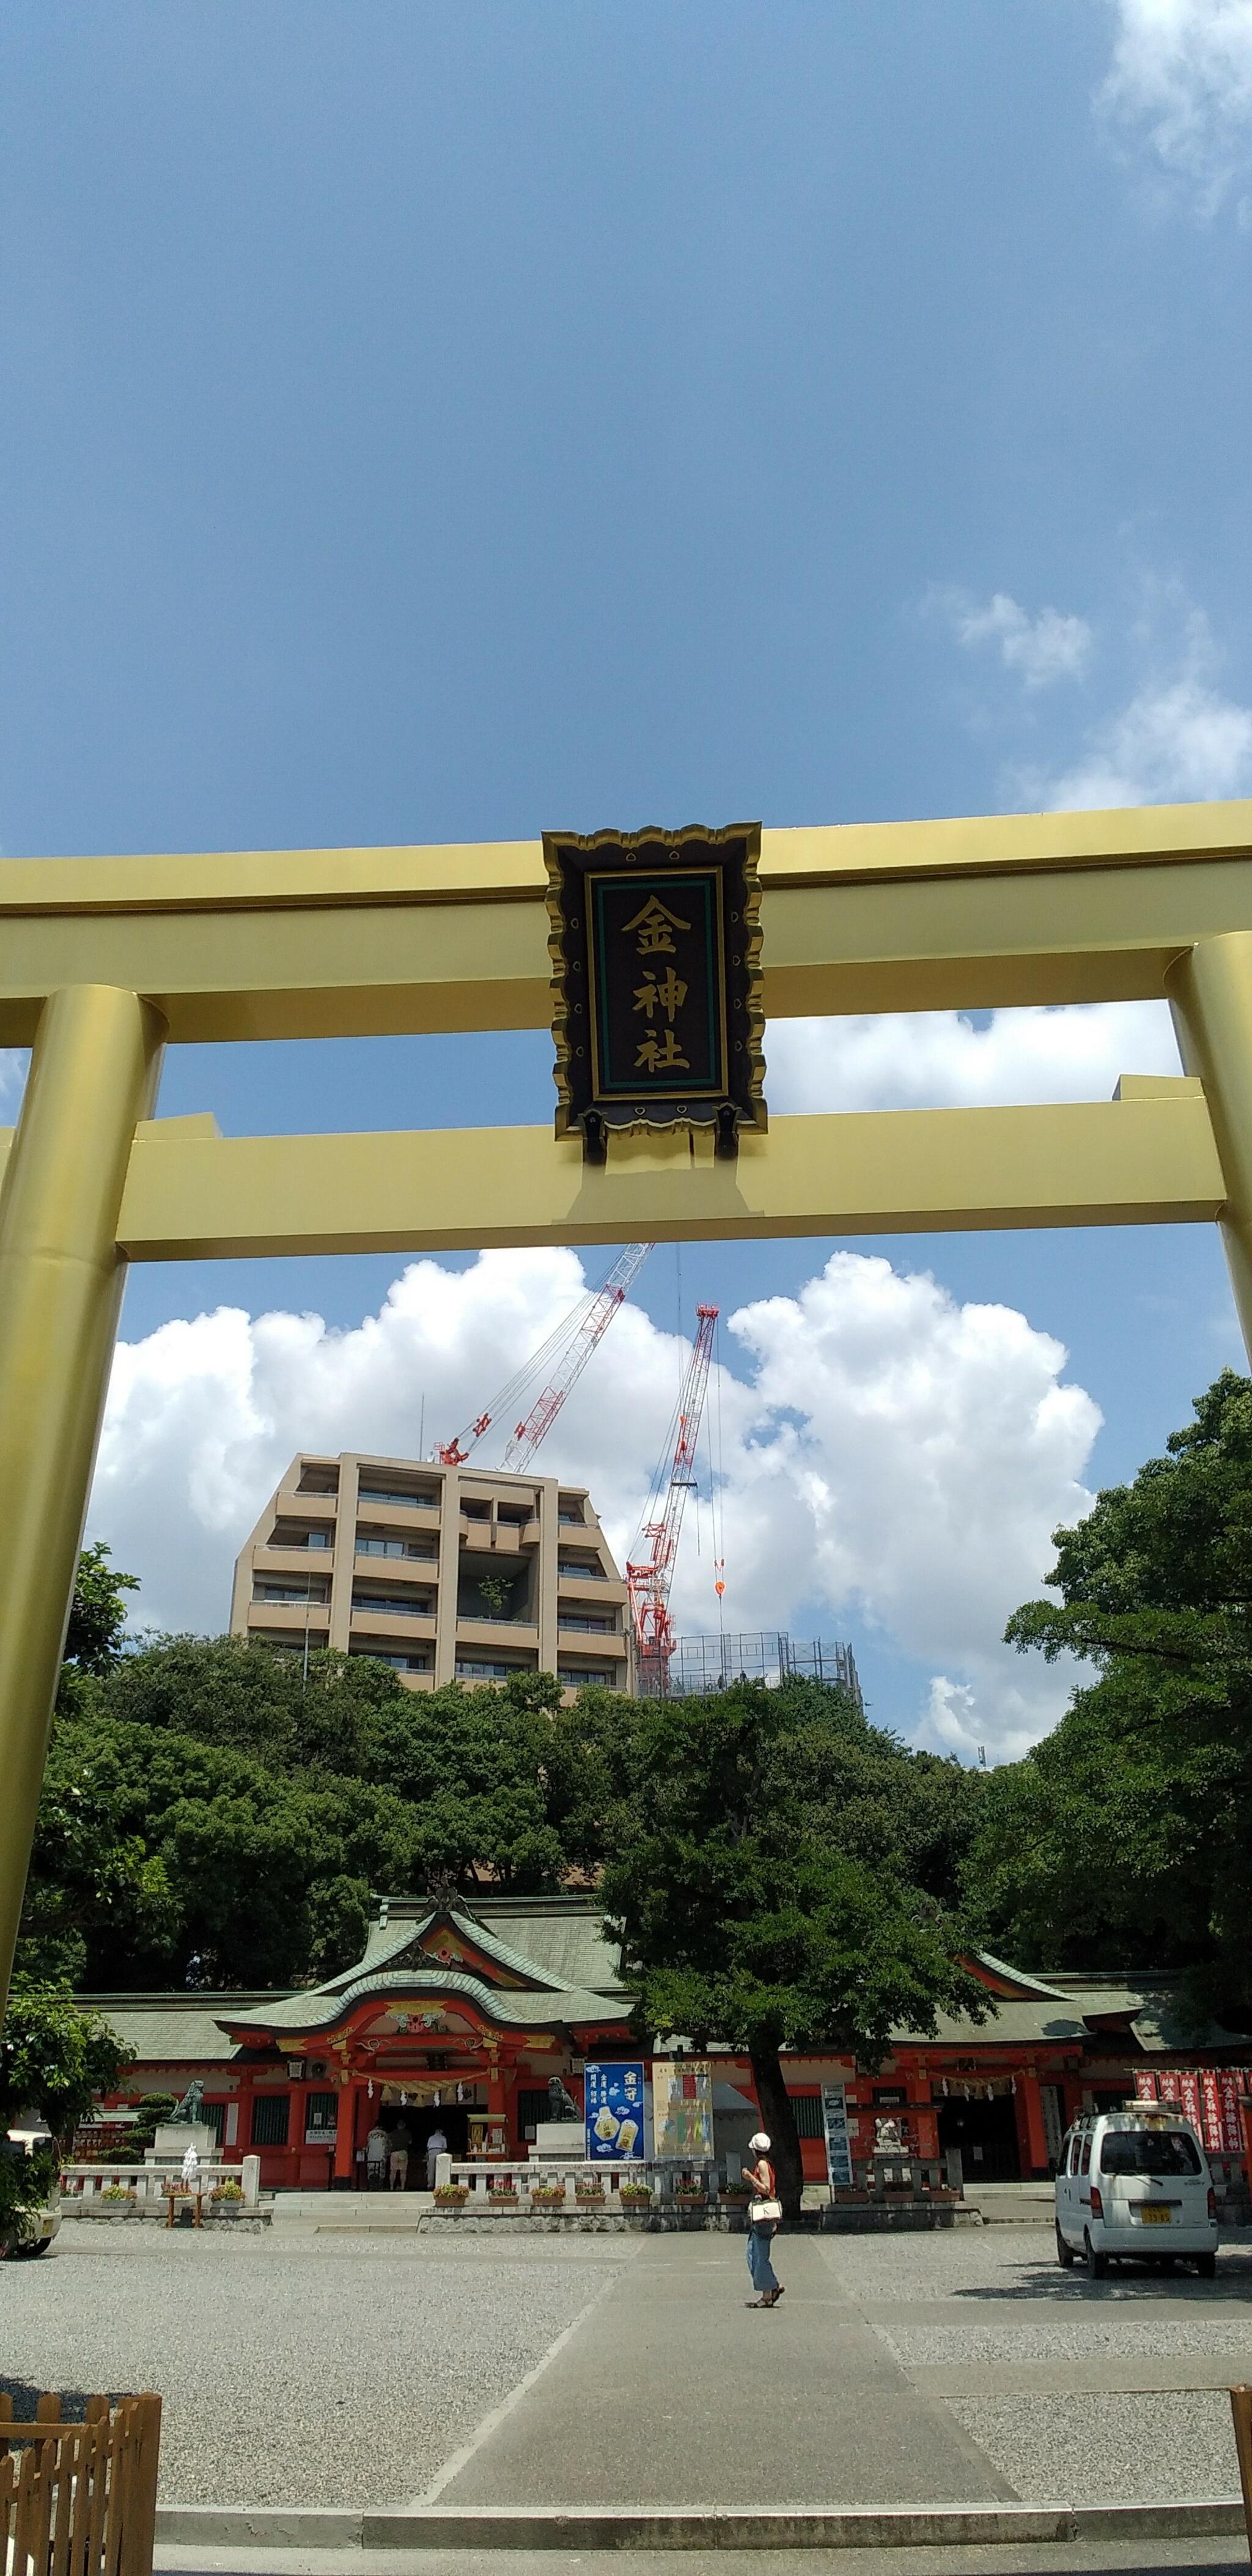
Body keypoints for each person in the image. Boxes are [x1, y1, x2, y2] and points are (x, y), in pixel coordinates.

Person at [742, 2130, 784, 2308]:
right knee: (754, 2254)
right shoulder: (767, 2163)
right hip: (765, 2216)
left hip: (763, 2215)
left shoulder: (761, 2165)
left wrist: (750, 2178)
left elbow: (766, 2189)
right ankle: (769, 2290)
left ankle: (770, 2290)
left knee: (759, 2255)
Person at [389, 2120, 411, 2191]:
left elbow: (389, 2142)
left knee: (393, 2171)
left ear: (397, 2126)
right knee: (403, 2171)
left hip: (394, 2152)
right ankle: (402, 2187)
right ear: (404, 2125)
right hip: (403, 2152)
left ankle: (391, 2187)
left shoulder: (393, 2133)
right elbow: (410, 2142)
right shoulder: (407, 2133)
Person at [366, 2121, 388, 2189]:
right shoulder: (384, 2134)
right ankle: (380, 2186)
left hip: (371, 2155)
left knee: (371, 2171)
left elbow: (368, 2145)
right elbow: (386, 2145)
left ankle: (371, 2186)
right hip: (381, 2155)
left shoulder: (370, 2134)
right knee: (381, 2172)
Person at [425, 2124, 447, 2190]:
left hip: (431, 2151)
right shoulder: (443, 2138)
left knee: (431, 2169)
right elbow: (445, 2148)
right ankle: (439, 2185)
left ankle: (430, 2185)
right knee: (440, 2168)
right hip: (439, 2151)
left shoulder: (431, 2138)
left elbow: (428, 2147)